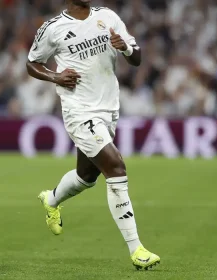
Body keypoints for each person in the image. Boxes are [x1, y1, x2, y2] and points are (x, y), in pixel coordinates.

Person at [26, 0, 160, 270]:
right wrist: (56, 76)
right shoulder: (54, 28)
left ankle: (51, 199)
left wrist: (126, 47)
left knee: (86, 177)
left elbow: (137, 58)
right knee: (116, 166)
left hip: (108, 109)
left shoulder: (108, 17)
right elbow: (32, 64)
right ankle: (137, 250)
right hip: (79, 111)